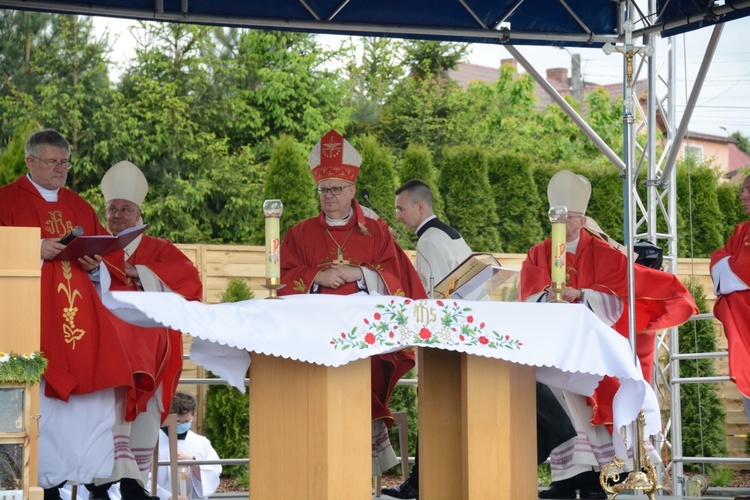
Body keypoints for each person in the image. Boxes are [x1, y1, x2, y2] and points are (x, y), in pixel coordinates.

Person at [385, 179, 577, 499]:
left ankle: (422, 484)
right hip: (472, 332)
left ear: (420, 207)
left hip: (448, 340)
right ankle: (424, 482)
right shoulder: (448, 233)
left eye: (401, 209)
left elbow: (428, 296)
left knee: (438, 407)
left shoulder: (429, 241)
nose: (398, 216)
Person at [520, 170, 698, 499]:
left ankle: (603, 475)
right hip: (554, 346)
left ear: (583, 218)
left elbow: (620, 296)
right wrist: (550, 296)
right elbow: (529, 294)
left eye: (569, 217)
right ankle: (566, 477)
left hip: (593, 346)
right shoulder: (538, 253)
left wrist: (583, 295)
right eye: (556, 216)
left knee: (596, 395)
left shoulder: (603, 253)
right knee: (560, 398)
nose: (562, 223)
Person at [0, 130, 149, 499]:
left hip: (81, 322)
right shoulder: (6, 200)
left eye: (65, 163)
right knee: (39, 404)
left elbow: (108, 259)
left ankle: (77, 479)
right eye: (52, 162)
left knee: (90, 399)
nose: (60, 169)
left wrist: (95, 262)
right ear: (30, 162)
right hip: (31, 322)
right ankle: (35, 483)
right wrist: (34, 249)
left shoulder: (79, 205)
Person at [278, 129, 426, 476]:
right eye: (323, 190)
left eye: (335, 190)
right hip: (315, 335)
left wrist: (358, 272)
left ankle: (359, 462)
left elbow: (397, 276)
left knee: (366, 374)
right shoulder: (299, 233)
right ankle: (322, 462)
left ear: (351, 191)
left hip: (365, 337)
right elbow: (281, 276)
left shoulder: (375, 232)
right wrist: (316, 276)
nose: (328, 196)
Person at [81, 161, 204, 499]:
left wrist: (137, 271)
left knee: (141, 383)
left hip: (151, 351)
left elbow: (191, 285)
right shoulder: (95, 248)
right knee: (103, 399)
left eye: (125, 209)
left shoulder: (160, 249)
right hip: (105, 347)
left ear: (138, 214)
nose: (117, 214)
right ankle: (100, 482)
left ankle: (133, 483)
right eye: (112, 209)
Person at [711, 176, 750, 420]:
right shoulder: (742, 230)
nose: (743, 196)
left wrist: (732, 266)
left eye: (749, 190)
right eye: (743, 190)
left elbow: (734, 266)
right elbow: (718, 261)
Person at [151, 391, 221, 500]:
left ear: (194, 414)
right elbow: (143, 477)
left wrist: (194, 462)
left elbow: (214, 472)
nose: (182, 425)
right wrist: (168, 496)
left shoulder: (201, 442)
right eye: (178, 421)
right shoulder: (153, 441)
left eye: (186, 421)